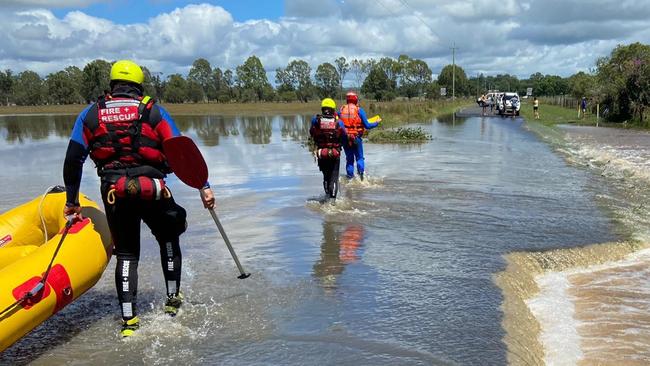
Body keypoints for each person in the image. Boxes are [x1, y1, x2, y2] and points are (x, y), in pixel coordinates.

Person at [62, 60, 215, 337]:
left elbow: (73, 160)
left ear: (112, 85)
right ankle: (172, 301)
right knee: (169, 238)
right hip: (153, 188)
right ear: (138, 85)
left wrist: (72, 202)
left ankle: (129, 323)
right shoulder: (154, 111)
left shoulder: (90, 115)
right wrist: (203, 186)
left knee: (128, 253)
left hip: (113, 192)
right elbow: (181, 151)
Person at [310, 98, 346, 200]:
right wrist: (340, 145)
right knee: (334, 177)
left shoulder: (315, 120)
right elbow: (344, 136)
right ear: (333, 110)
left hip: (321, 153)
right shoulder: (339, 122)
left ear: (322, 109)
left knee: (326, 176)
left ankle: (327, 196)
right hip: (335, 153)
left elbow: (312, 133)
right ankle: (333, 201)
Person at [338, 91, 379, 180]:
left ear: (347, 100)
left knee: (349, 160)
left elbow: (337, 123)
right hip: (356, 138)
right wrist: (376, 123)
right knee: (359, 158)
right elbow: (367, 125)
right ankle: (361, 177)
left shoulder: (341, 110)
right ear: (356, 99)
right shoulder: (359, 110)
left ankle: (350, 178)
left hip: (345, 139)